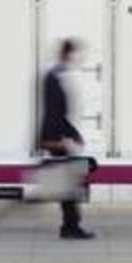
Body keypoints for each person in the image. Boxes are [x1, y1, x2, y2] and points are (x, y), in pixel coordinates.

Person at [39, 38, 95, 240]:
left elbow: (57, 113)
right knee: (68, 186)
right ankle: (70, 227)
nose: (78, 58)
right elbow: (54, 113)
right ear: (68, 53)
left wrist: (73, 134)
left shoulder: (55, 76)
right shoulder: (54, 78)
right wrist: (57, 140)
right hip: (56, 139)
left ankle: (70, 226)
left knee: (67, 185)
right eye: (76, 53)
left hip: (58, 137)